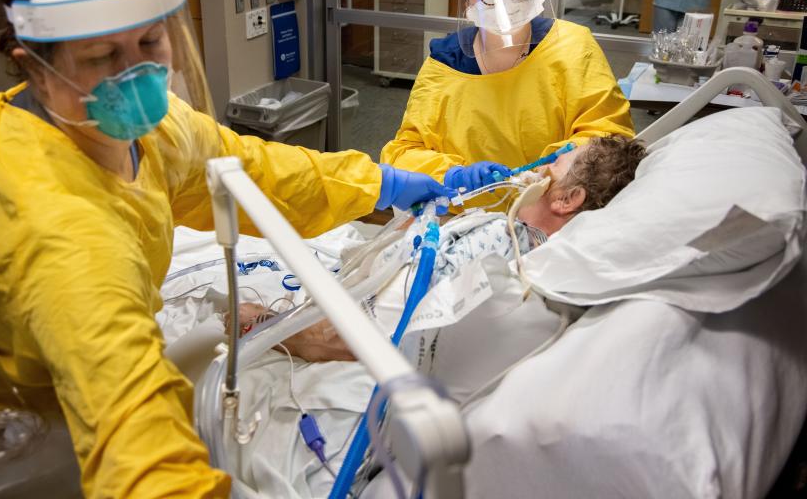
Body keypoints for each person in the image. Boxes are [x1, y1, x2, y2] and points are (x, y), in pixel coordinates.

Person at [0, 0, 452, 497]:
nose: (138, 73)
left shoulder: (134, 123)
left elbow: (251, 170)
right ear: (33, 68)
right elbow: (135, 440)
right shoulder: (52, 223)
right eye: (103, 58)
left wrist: (380, 183)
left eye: (150, 41)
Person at [242, 134, 647, 364]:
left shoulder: (505, 243)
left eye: (555, 166)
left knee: (240, 315)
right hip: (365, 289)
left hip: (360, 324)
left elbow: (401, 311)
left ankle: (254, 324)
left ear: (565, 200)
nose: (541, 167)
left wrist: (278, 327)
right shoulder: (516, 239)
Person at [380, 0, 634, 203]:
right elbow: (403, 154)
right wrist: (454, 175)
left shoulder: (572, 46)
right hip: (462, 215)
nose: (506, 1)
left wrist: (550, 170)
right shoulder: (444, 65)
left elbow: (611, 138)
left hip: (550, 212)